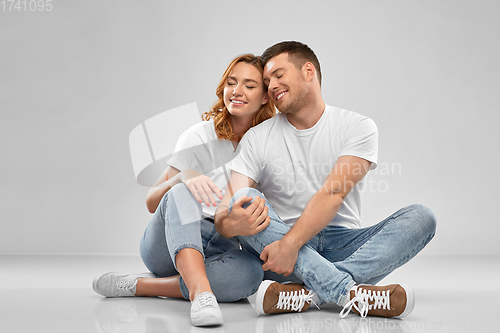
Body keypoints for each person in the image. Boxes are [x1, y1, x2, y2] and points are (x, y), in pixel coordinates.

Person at [214, 41, 436, 319]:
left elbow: (334, 192)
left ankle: (308, 293)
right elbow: (225, 209)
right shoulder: (258, 138)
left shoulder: (357, 127)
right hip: (281, 255)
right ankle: (349, 293)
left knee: (421, 218)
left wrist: (291, 245)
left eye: (279, 75)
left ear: (308, 71)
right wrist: (228, 223)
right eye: (267, 81)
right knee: (245, 201)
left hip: (339, 247)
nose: (271, 86)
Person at [92, 54, 275, 327]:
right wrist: (184, 178)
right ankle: (201, 294)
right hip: (167, 242)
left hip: (219, 243)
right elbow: (152, 202)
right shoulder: (199, 135)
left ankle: (143, 286)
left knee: (251, 273)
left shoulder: (266, 145)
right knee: (181, 192)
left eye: (249, 86)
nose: (236, 91)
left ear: (264, 97)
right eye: (231, 82)